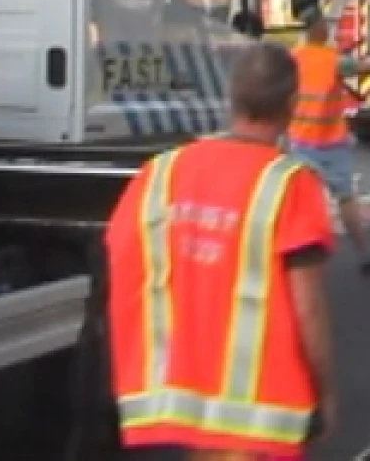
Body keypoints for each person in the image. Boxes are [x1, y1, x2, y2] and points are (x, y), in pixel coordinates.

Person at [105, 42, 338, 459]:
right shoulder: (292, 184)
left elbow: (122, 260)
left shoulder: (161, 172)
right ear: (291, 104)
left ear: (232, 98)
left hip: (188, 400)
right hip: (264, 412)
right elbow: (309, 308)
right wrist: (324, 391)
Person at [290, 7, 370, 273]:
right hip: (331, 143)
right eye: (326, 26)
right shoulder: (334, 60)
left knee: (298, 201)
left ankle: (292, 256)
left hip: (300, 141)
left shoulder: (292, 59)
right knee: (345, 199)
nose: (329, 30)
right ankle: (364, 256)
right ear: (318, 29)